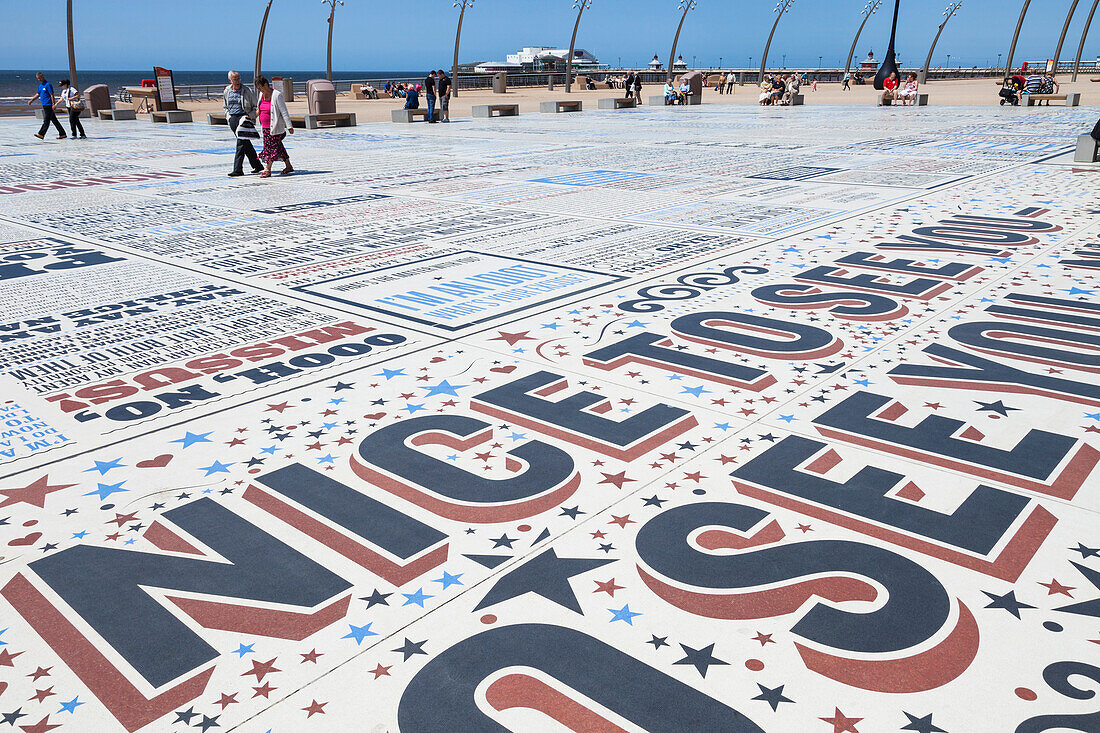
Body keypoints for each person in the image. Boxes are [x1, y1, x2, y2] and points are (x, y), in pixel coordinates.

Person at [223, 71, 262, 177]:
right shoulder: (227, 90)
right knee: (246, 143)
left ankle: (237, 169)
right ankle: (257, 165)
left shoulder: (247, 90)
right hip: (233, 119)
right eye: (235, 79)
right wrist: (229, 117)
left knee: (241, 144)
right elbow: (225, 106)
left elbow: (256, 106)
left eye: (239, 78)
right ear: (230, 80)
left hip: (244, 119)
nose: (237, 81)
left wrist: (250, 116)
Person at [254, 76, 293, 178]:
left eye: (260, 87)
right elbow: (259, 108)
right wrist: (255, 114)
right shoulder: (261, 95)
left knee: (271, 148)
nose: (260, 90)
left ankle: (267, 169)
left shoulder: (276, 95)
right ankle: (288, 166)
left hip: (275, 127)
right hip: (265, 128)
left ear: (266, 85)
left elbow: (284, 111)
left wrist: (289, 126)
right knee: (278, 147)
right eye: (258, 88)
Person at [27, 72, 65, 140]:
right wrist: (32, 100)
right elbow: (38, 94)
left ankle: (41, 134)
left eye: (39, 78)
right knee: (54, 120)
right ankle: (62, 133)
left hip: (49, 105)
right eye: (38, 78)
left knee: (46, 120)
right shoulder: (40, 86)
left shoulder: (48, 85)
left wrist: (53, 104)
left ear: (43, 77)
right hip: (44, 105)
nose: (39, 79)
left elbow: (51, 95)